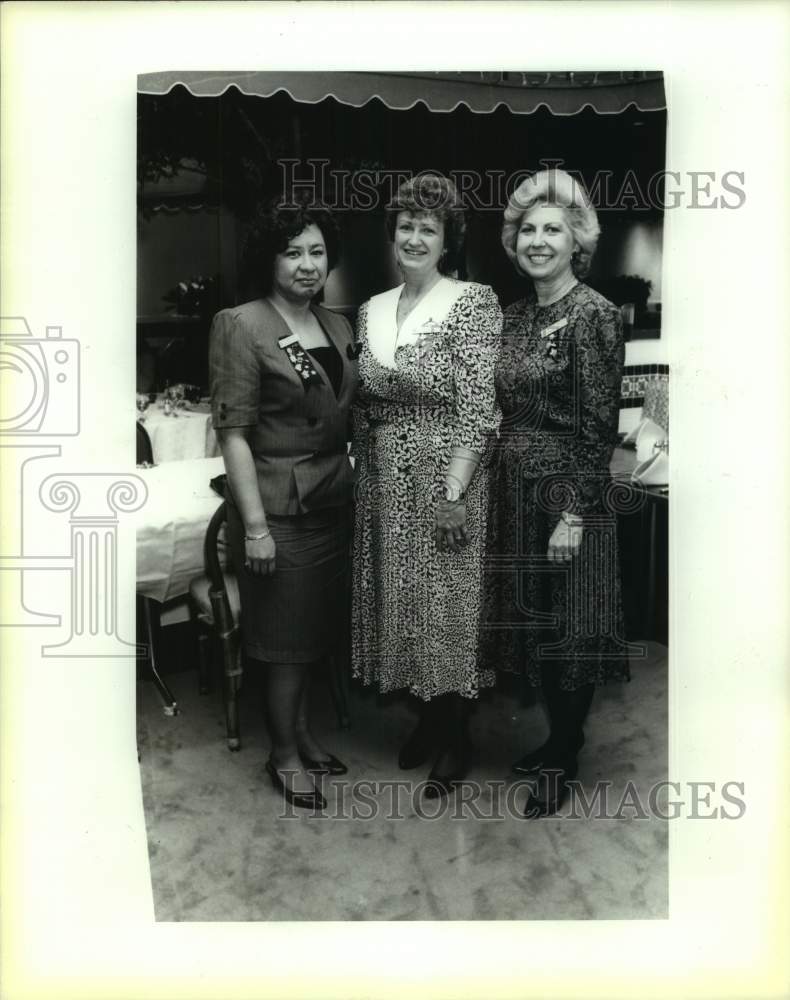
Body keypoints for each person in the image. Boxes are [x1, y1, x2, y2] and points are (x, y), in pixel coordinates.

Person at [482, 168, 630, 817]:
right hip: (515, 493)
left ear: (577, 242)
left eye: (553, 230)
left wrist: (573, 512)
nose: (538, 241)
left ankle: (565, 756)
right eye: (529, 230)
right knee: (537, 625)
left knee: (572, 629)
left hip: (568, 496)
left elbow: (600, 425)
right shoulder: (511, 316)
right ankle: (554, 738)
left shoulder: (595, 314)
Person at [352, 174, 502, 799]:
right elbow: (363, 402)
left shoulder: (473, 302)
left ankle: (456, 735)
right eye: (406, 226)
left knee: (447, 604)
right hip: (385, 479)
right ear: (393, 235)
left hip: (447, 475)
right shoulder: (370, 308)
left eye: (429, 229)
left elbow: (478, 406)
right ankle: (428, 717)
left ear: (448, 240)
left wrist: (453, 491)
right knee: (404, 599)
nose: (415, 238)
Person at [209, 195, 359, 811]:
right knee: (283, 643)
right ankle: (284, 755)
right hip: (278, 513)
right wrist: (255, 527)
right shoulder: (242, 324)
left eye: (317, 251)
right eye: (292, 251)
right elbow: (234, 434)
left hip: (333, 502)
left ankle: (302, 733)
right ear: (269, 259)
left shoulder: (337, 324)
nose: (306, 264)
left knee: (314, 633)